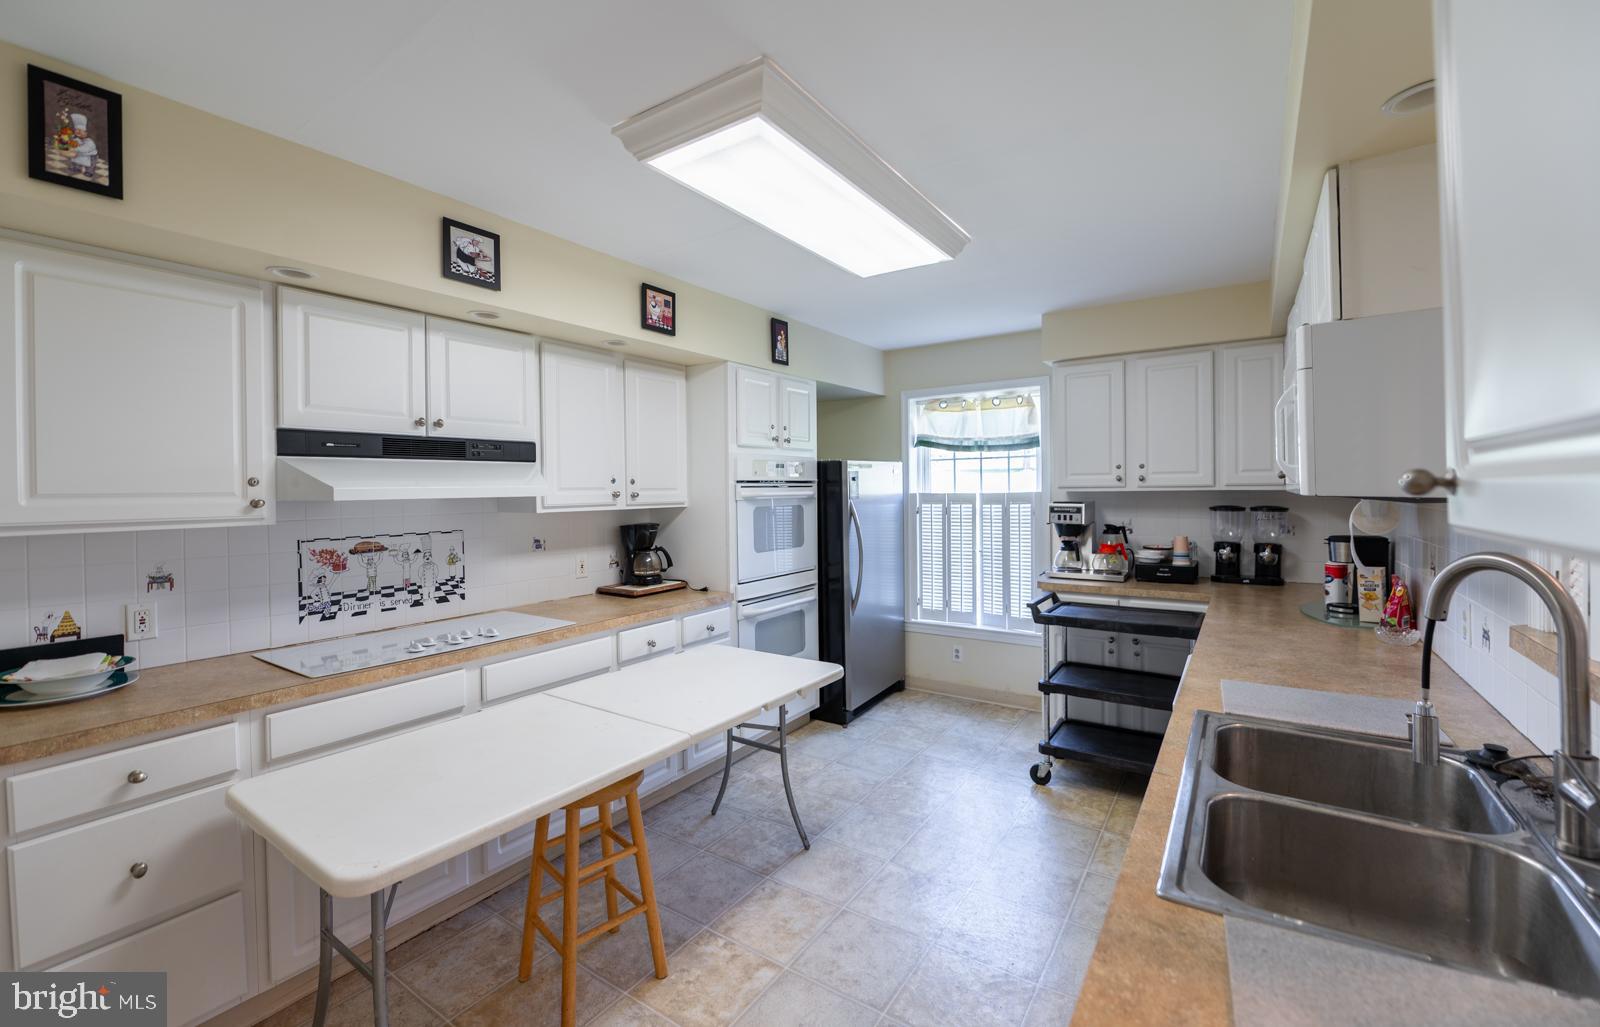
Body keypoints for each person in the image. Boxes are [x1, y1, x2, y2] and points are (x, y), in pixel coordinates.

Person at [67, 113, 98, 178]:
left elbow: (85, 149)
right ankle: (76, 168)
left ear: (86, 133)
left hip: (90, 156)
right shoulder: (76, 138)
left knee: (90, 165)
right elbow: (72, 143)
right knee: (75, 158)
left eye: (80, 130)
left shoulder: (90, 142)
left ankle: (89, 172)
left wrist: (74, 148)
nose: (78, 131)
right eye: (76, 130)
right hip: (81, 153)